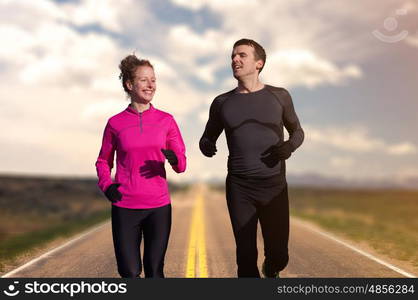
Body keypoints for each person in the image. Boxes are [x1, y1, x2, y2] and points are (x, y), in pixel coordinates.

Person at [199, 39, 304, 278]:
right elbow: (207, 137)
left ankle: (272, 267)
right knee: (245, 256)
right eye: (233, 56)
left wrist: (289, 147)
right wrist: (207, 145)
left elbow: (298, 131)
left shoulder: (279, 96)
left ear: (259, 63)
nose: (235, 59)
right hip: (240, 187)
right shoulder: (222, 103)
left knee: (279, 254)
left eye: (242, 55)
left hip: (273, 186)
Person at [95, 54, 186, 278]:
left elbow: (181, 164)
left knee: (155, 272)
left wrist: (174, 159)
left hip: (158, 206)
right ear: (129, 84)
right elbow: (103, 161)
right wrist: (107, 186)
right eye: (144, 79)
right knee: (130, 272)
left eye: (153, 80)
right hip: (125, 206)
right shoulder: (115, 123)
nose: (151, 84)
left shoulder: (167, 120)